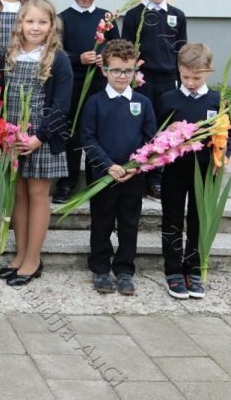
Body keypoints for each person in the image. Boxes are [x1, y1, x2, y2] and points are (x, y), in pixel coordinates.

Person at [0, 0, 72, 287]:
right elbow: (0, 96)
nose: (36, 27)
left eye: (42, 22)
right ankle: (20, 254)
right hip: (13, 137)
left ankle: (33, 260)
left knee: (38, 194)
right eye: (30, 21)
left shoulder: (58, 59)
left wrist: (39, 137)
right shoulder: (9, 55)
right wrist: (3, 134)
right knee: (18, 195)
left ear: (52, 25)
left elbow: (61, 106)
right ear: (20, 24)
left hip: (42, 138)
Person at [80, 40, 156, 295]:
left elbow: (151, 140)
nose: (122, 76)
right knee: (101, 222)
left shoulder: (143, 103)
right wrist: (108, 165)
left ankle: (124, 269)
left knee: (129, 223)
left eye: (128, 71)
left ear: (135, 71)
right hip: (103, 176)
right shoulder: (94, 103)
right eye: (116, 70)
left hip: (133, 177)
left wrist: (137, 166)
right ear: (104, 70)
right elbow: (88, 138)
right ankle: (100, 268)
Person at [158, 43, 231, 300]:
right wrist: (166, 132)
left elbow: (227, 134)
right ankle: (173, 270)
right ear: (178, 69)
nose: (190, 82)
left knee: (199, 220)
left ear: (209, 71)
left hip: (205, 172)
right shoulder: (168, 99)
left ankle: (194, 269)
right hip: (174, 171)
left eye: (196, 78)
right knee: (172, 219)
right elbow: (154, 135)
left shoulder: (216, 101)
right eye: (185, 76)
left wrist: (223, 157)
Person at [121, 0, 187, 200]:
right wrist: (130, 79)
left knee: (163, 128)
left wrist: (182, 84)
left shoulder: (177, 16)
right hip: (143, 82)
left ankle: (156, 178)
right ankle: (138, 173)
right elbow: (126, 51)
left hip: (168, 82)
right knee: (142, 126)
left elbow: (182, 52)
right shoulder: (133, 16)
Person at [55, 0, 120, 202]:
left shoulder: (107, 18)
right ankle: (67, 182)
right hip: (73, 85)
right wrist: (78, 58)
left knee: (98, 131)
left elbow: (117, 48)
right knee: (72, 133)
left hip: (99, 85)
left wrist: (106, 59)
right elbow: (56, 53)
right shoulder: (62, 19)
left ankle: (97, 180)